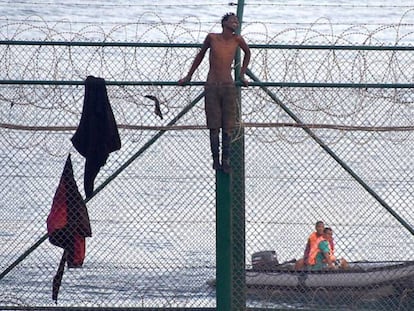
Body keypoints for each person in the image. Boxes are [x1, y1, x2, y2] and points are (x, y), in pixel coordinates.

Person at [178, 12, 251, 173]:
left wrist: (242, 74)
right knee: (213, 126)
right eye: (232, 21)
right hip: (212, 85)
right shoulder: (212, 38)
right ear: (224, 23)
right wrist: (188, 76)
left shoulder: (237, 40)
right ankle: (215, 160)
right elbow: (200, 56)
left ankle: (226, 161)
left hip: (228, 86)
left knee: (228, 126)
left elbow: (248, 53)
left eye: (237, 22)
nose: (235, 24)